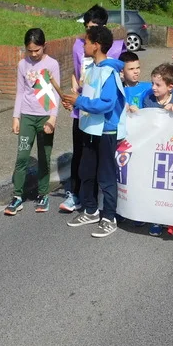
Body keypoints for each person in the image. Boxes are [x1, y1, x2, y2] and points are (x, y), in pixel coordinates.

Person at [61, 26, 126, 239]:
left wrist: (79, 101)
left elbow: (107, 104)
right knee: (86, 172)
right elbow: (89, 97)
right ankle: (90, 210)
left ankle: (109, 217)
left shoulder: (109, 72)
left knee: (106, 176)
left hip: (106, 131)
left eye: (87, 42)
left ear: (96, 45)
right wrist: (74, 102)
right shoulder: (91, 69)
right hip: (89, 128)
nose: (83, 46)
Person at [5, 28, 59, 216]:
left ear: (44, 46)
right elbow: (20, 91)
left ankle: (43, 194)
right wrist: (16, 117)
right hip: (27, 115)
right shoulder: (22, 64)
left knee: (44, 156)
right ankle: (17, 196)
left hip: (45, 116)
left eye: (37, 50)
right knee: (22, 156)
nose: (34, 54)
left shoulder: (52, 64)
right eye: (30, 50)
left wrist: (53, 117)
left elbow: (55, 93)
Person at [141, 63, 173, 238]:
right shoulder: (148, 100)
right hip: (154, 149)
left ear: (170, 87)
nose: (153, 87)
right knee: (156, 186)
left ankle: (171, 217)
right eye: (152, 83)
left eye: (158, 85)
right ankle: (156, 219)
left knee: (172, 186)